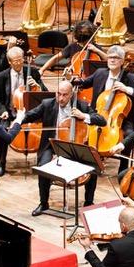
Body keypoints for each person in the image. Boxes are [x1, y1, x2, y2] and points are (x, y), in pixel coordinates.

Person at [28, 80, 106, 215]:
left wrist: (84, 116)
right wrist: (18, 120)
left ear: (71, 95)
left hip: (74, 145)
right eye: (58, 94)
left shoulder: (81, 105)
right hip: (52, 145)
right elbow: (31, 115)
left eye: (65, 95)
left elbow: (102, 120)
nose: (61, 98)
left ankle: (88, 202)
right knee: (43, 166)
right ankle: (44, 203)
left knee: (93, 167)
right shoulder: (48, 104)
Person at [78, 44, 134, 160]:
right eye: (110, 57)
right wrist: (70, 79)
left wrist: (126, 89)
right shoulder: (100, 73)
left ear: (122, 61)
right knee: (82, 132)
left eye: (116, 57)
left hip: (123, 119)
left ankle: (123, 168)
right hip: (99, 115)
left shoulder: (131, 78)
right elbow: (83, 83)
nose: (112, 59)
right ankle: (91, 165)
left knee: (128, 135)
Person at [0, 45, 44, 171]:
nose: (19, 63)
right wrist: (2, 111)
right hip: (10, 112)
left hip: (30, 113)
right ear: (9, 62)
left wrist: (37, 86)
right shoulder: (0, 77)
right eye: (16, 61)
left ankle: (42, 161)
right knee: (1, 129)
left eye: (21, 59)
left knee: (48, 126)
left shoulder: (33, 72)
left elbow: (45, 94)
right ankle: (1, 163)